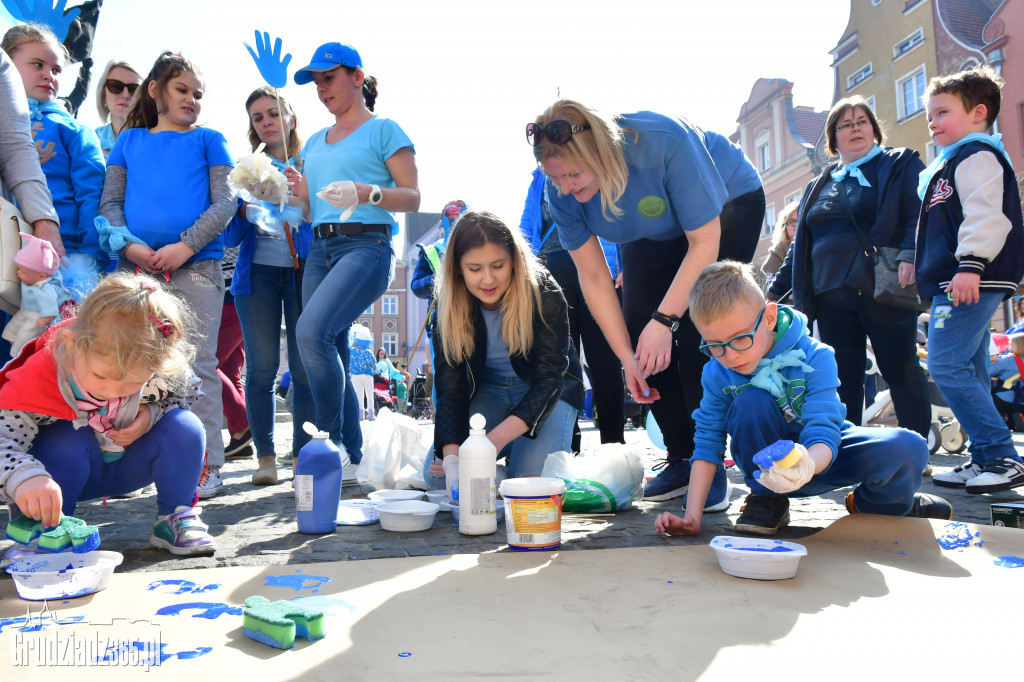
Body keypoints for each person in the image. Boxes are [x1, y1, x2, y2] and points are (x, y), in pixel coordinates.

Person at [530, 100, 765, 509]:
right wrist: (628, 357)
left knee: (695, 328)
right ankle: (681, 457)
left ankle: (708, 464)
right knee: (642, 336)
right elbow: (594, 278)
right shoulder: (561, 189)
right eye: (555, 177)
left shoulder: (661, 140)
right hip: (653, 228)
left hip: (727, 204)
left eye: (572, 174)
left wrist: (666, 319)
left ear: (600, 153)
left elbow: (704, 242)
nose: (564, 188)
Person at [653, 262, 952, 537]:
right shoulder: (717, 372)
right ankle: (767, 500)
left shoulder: (816, 356)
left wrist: (807, 464)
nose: (729, 356)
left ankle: (877, 505)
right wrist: (693, 517)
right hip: (769, 473)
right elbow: (707, 442)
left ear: (769, 318)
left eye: (740, 339)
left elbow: (824, 426)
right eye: (715, 345)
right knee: (750, 400)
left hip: (820, 455)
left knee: (909, 445)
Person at [270, 41, 419, 458]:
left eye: (329, 77)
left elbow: (412, 198)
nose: (322, 88)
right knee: (327, 344)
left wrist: (366, 192)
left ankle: (328, 444)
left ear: (357, 76)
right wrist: (286, 193)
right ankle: (353, 456)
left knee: (311, 333)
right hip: (320, 247)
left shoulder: (384, 129)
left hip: (367, 244)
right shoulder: (314, 142)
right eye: (317, 81)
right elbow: (307, 207)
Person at [0, 272, 216, 558]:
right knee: (64, 438)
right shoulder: (39, 377)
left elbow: (188, 396)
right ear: (71, 345)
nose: (114, 391)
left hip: (128, 468)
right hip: (54, 482)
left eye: (132, 382)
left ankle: (174, 515)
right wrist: (25, 477)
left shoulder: (158, 363)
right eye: (102, 376)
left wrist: (152, 412)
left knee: (186, 427)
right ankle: (44, 530)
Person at [98, 52, 236, 498]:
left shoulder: (210, 139)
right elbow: (110, 205)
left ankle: (206, 464)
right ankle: (133, 464)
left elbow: (225, 203)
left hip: (196, 269)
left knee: (198, 367)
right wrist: (132, 246)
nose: (192, 100)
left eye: (198, 94)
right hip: (136, 270)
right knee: (130, 367)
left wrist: (185, 246)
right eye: (182, 90)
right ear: (155, 90)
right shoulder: (128, 142)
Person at [768, 96, 930, 441]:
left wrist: (909, 254)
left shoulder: (898, 164)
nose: (855, 128)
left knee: (900, 367)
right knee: (844, 375)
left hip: (882, 286)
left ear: (873, 129)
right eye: (846, 124)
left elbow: (918, 212)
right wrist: (773, 291)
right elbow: (801, 245)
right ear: (833, 137)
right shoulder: (819, 183)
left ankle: (916, 448)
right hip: (830, 293)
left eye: (862, 121)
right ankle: (852, 447)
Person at [916, 66, 1024, 494]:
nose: (932, 122)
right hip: (959, 277)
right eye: (930, 115)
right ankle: (984, 457)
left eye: (942, 112)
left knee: (945, 362)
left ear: (979, 112)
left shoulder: (977, 154)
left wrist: (971, 264)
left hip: (970, 277)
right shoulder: (952, 162)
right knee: (971, 365)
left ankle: (1000, 454)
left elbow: (985, 214)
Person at [424, 211, 584, 492]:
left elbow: (550, 380)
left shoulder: (544, 290)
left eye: (498, 266)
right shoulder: (446, 304)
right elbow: (451, 388)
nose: (487, 280)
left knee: (530, 484)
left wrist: (488, 445)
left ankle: (505, 469)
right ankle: (498, 476)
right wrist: (452, 463)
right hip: (490, 391)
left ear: (514, 261)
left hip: (546, 392)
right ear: (457, 269)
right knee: (437, 478)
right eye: (474, 269)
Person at [224, 86, 315, 485]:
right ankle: (265, 458)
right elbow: (228, 237)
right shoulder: (245, 167)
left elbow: (326, 218)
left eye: (272, 114)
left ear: (290, 116)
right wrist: (242, 207)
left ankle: (301, 456)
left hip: (302, 272)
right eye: (257, 117)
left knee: (304, 368)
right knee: (260, 370)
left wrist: (299, 193)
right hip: (256, 274)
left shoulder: (312, 159)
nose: (265, 122)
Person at [519, 167, 625, 447]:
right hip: (551, 268)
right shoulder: (538, 180)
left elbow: (619, 214)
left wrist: (622, 264)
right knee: (562, 358)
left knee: (605, 356)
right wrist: (525, 271)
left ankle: (613, 443)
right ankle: (567, 441)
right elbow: (528, 228)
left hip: (599, 264)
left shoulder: (594, 165)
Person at [3, 23, 107, 302]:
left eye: (57, 69)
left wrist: (89, 261)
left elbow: (92, 195)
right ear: (7, 66)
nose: (48, 75)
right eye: (37, 64)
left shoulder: (75, 130)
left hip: (59, 259)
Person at [2, 234, 67, 356]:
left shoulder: (45, 288)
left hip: (36, 315)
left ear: (41, 276)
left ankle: (18, 353)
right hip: (25, 310)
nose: (18, 273)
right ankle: (11, 338)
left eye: (23, 272)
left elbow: (51, 306)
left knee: (26, 334)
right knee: (13, 327)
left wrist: (46, 317)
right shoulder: (33, 280)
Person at [93, 59, 142, 157]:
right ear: (103, 95)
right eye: (115, 86)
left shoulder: (156, 140)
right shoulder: (90, 139)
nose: (125, 95)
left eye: (134, 89)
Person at [989, 333, 1024, 429]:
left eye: (1010, 344)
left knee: (985, 398)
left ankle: (998, 422)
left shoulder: (1007, 360)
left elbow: (987, 371)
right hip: (1021, 401)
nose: (1008, 346)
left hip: (1004, 400)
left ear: (1015, 346)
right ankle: (1012, 421)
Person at [759, 200, 799, 282]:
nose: (796, 224)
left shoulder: (814, 245)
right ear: (784, 227)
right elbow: (771, 285)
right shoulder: (778, 251)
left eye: (799, 220)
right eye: (791, 222)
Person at [349, 327, 376, 420]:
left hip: (355, 376)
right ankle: (371, 415)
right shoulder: (368, 352)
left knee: (359, 395)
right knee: (369, 395)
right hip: (367, 376)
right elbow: (373, 363)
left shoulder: (351, 351)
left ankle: (361, 415)